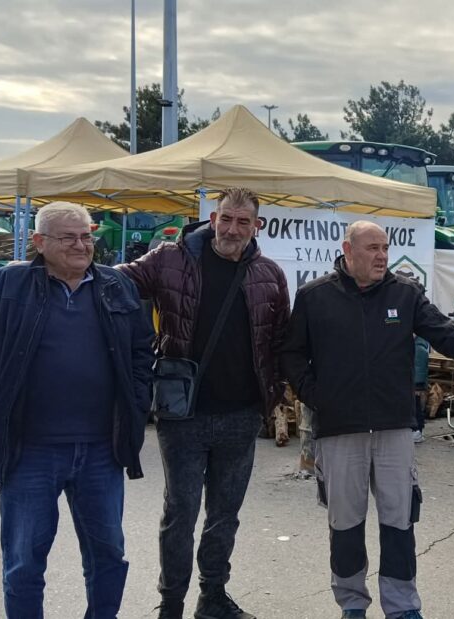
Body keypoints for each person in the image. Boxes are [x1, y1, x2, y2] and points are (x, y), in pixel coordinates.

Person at [281, 220, 454, 619]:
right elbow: (292, 355)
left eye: (385, 248)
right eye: (372, 248)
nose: (382, 255)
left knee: (399, 522)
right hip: (339, 429)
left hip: (394, 428)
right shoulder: (314, 296)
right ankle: (352, 603)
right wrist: (317, 397)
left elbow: (446, 333)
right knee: (345, 524)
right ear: (348, 250)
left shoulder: (405, 294)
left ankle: (402, 607)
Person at [0, 203, 154, 618]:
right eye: (68, 237)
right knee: (24, 562)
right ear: (39, 242)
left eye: (86, 236)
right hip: (29, 451)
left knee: (108, 555)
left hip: (102, 450)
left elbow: (140, 351)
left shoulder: (116, 285)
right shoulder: (2, 287)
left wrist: (135, 404)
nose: (81, 245)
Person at [117, 187, 290, 619]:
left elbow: (281, 341)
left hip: (242, 415)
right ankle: (171, 603)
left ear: (257, 226)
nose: (232, 229)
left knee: (225, 514)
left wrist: (276, 395)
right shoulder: (169, 259)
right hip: (183, 414)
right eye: (226, 219)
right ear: (213, 219)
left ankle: (212, 596)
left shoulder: (269, 275)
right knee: (181, 512)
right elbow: (114, 282)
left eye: (243, 222)